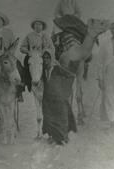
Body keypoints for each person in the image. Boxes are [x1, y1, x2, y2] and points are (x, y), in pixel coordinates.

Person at [42, 15, 107, 145]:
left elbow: (81, 57)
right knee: (55, 103)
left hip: (65, 76)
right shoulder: (58, 41)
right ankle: (54, 134)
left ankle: (62, 134)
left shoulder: (76, 43)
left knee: (63, 102)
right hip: (56, 75)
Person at [19, 18, 54, 92]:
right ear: (34, 26)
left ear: (42, 26)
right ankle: (27, 83)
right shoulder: (29, 36)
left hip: (43, 56)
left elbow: (52, 48)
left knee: (50, 67)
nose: (38, 26)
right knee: (26, 64)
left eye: (40, 24)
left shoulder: (46, 36)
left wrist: (45, 51)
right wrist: (28, 52)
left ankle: (49, 84)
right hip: (32, 56)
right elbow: (22, 47)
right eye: (36, 24)